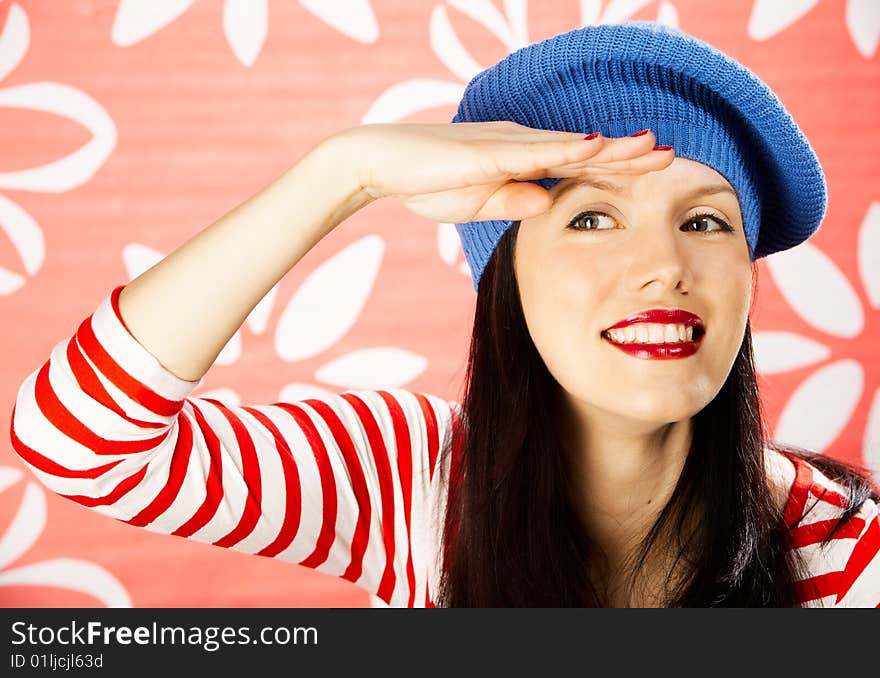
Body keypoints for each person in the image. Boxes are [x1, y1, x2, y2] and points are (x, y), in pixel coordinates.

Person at [9, 21, 880, 607]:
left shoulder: (846, 553)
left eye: (704, 222)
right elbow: (75, 441)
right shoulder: (415, 483)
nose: (662, 269)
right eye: (588, 218)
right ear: (504, 277)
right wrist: (343, 173)